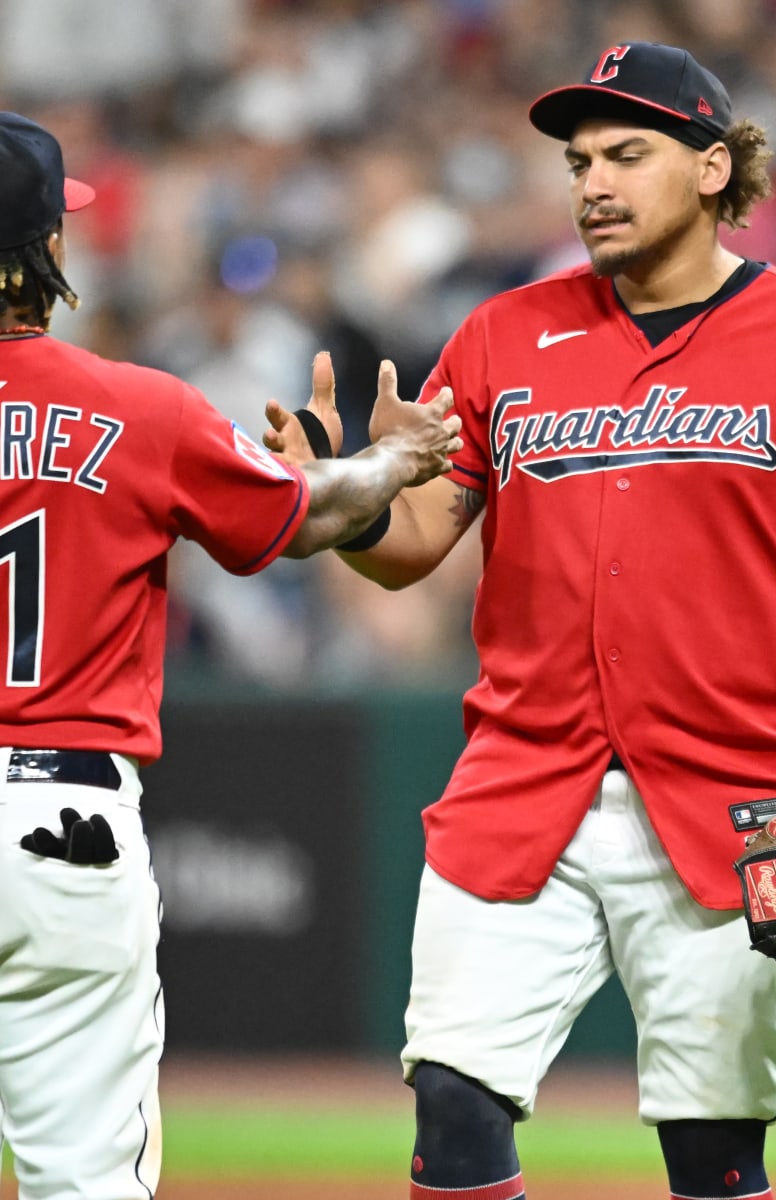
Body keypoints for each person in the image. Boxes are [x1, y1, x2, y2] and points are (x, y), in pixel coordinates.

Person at [273, 41, 776, 1200]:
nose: (592, 181)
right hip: (522, 776)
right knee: (452, 1104)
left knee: (713, 1149)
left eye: (627, 153)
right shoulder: (502, 335)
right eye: (579, 158)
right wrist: (336, 501)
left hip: (739, 796)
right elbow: (419, 543)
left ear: (713, 168)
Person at [0, 110, 461, 1200]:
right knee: (86, 1182)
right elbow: (307, 514)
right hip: (61, 821)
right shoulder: (137, 406)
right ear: (49, 251)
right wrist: (393, 458)